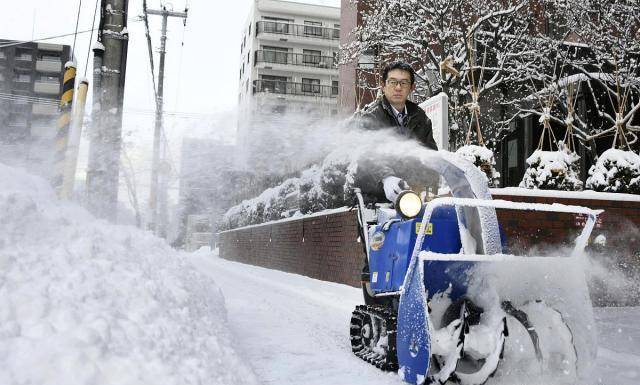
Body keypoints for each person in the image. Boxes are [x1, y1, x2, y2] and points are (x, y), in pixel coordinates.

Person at [354, 61, 439, 203]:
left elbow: (431, 156)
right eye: (393, 82)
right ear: (383, 85)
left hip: (414, 199)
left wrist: (430, 186)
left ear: (412, 87)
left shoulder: (421, 118)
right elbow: (367, 155)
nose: (398, 87)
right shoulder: (371, 117)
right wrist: (386, 178)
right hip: (378, 199)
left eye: (404, 83)